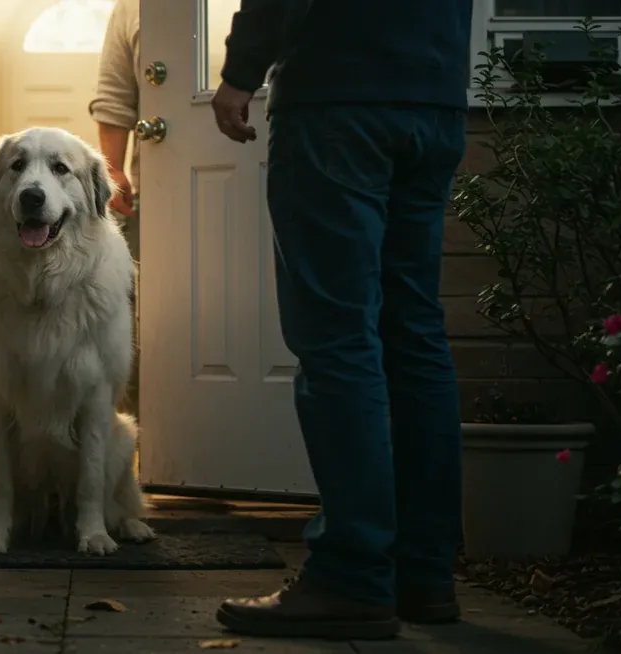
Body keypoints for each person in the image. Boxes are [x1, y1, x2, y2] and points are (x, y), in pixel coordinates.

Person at [209, 0, 472, 641]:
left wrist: (242, 70)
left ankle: (351, 575)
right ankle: (424, 573)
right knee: (414, 334)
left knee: (338, 340)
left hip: (339, 97)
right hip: (432, 94)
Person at [90, 0, 141, 414]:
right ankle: (152, 444)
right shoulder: (131, 8)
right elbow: (114, 95)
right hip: (154, 194)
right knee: (144, 320)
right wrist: (114, 171)